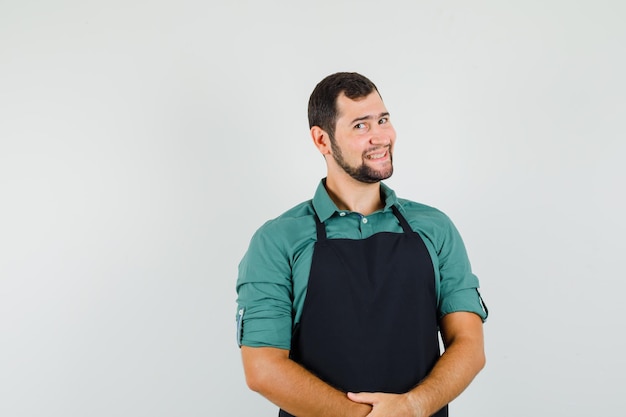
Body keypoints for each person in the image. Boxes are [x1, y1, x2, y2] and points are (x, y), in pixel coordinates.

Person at [235, 72, 488, 417]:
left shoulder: (435, 228)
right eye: (360, 126)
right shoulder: (278, 240)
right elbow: (263, 369)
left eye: (383, 120)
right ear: (322, 140)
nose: (380, 136)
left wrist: (414, 406)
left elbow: (469, 345)